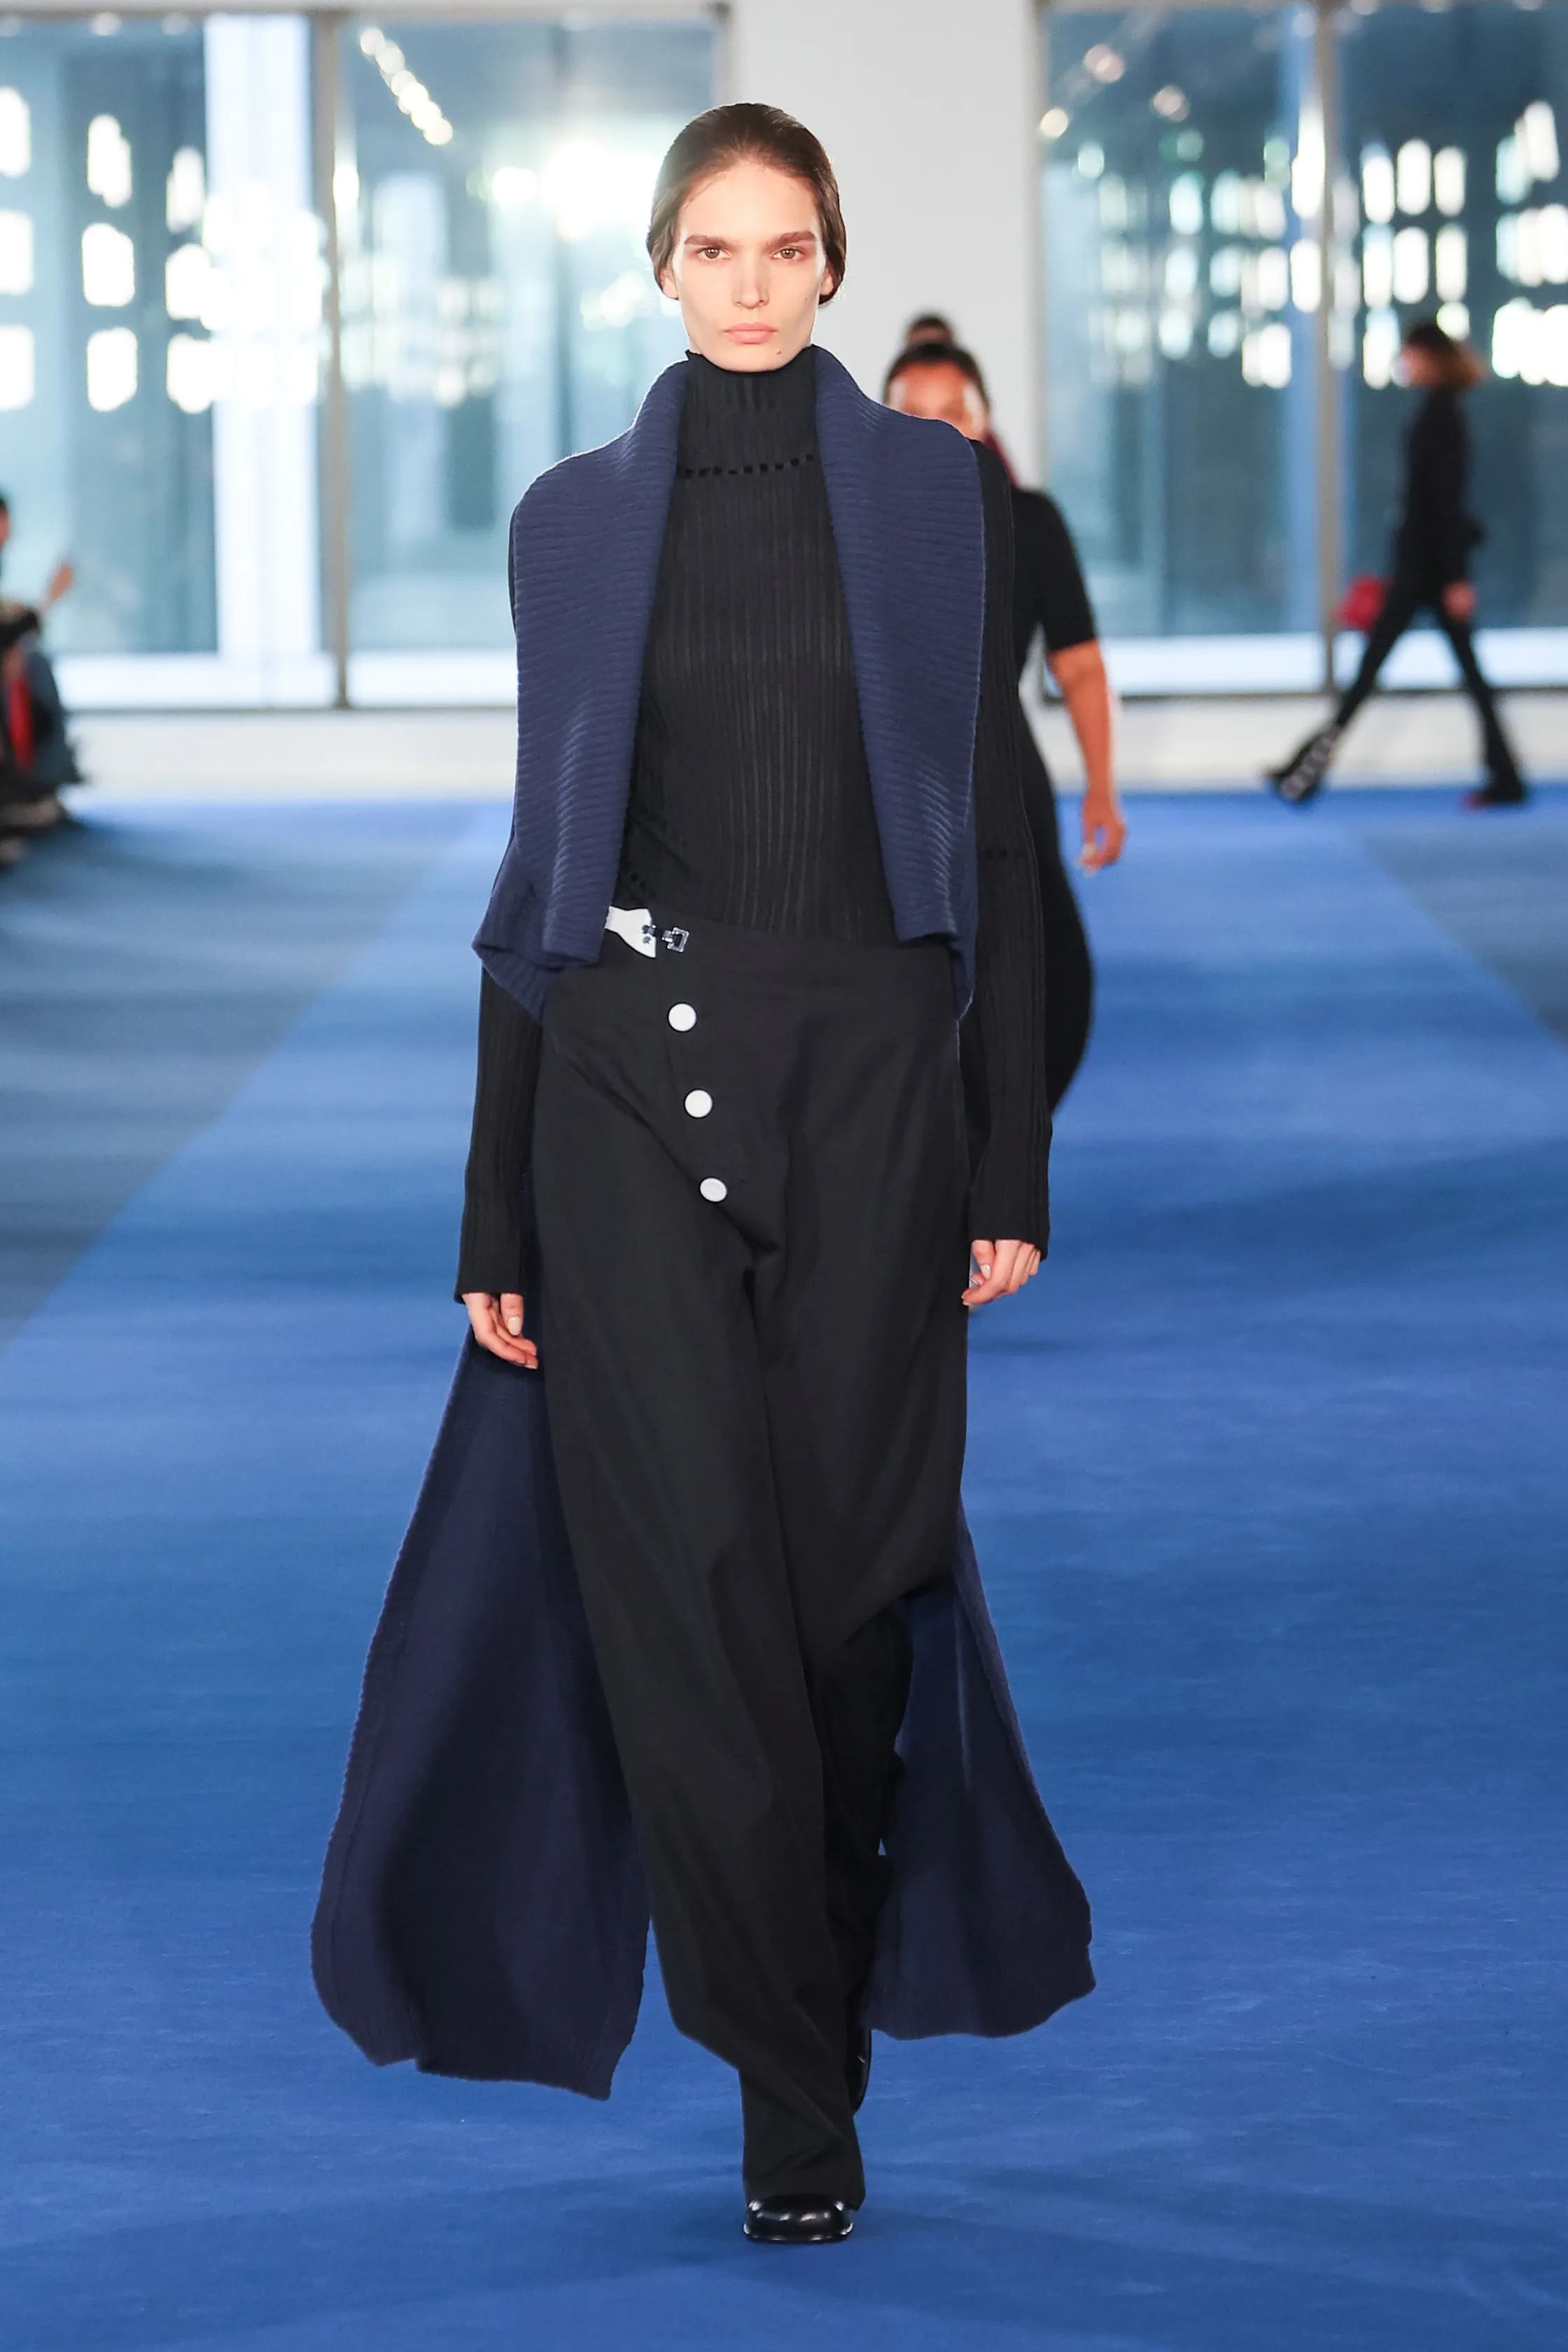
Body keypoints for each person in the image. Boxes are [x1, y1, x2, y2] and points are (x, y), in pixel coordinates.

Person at [314, 104, 1092, 2248]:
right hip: (629, 1096)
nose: (749, 285)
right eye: (712, 249)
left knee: (850, 1596)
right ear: (658, 265)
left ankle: (810, 2001)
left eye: (785, 247)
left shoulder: (937, 500)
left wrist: (1005, 1150)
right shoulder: (570, 523)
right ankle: (788, 2101)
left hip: (872, 1087)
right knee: (686, 1596)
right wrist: (495, 1206)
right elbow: (542, 868)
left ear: (832, 262)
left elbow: (994, 838)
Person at [886, 337, 1125, 1108]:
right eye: (914, 414)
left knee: (1046, 964)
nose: (937, 432)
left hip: (1001, 765)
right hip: (886, 770)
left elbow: (1079, 667)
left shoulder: (1031, 521)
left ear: (984, 422)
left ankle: (1015, 1133)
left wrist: (1101, 789)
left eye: (953, 413)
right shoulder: (852, 522)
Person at [1269, 318, 1526, 809]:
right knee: (1427, 675)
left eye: (1409, 355)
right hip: (1421, 566)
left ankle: (1306, 770)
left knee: (1379, 676)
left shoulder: (1443, 418)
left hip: (1426, 570)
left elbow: (1443, 503)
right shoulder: (1438, 413)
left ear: (1429, 357)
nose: (1403, 364)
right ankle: (1305, 767)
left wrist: (1455, 576)